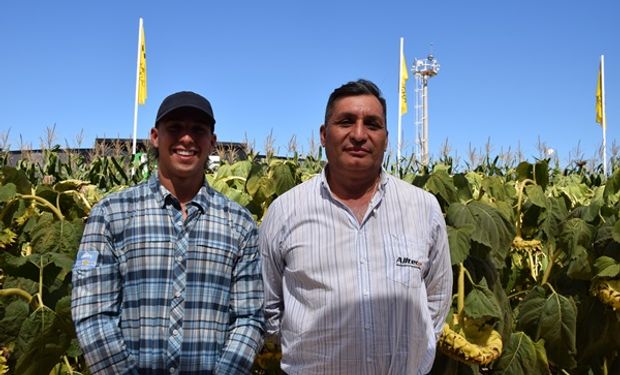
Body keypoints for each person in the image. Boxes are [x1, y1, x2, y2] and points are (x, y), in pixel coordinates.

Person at [259, 79, 452, 374]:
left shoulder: (423, 208)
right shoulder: (285, 211)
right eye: (346, 121)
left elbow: (437, 301)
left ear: (386, 138)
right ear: (324, 135)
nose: (359, 134)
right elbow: (269, 308)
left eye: (372, 124)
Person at [71, 91, 264, 374]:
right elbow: (93, 312)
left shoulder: (240, 223)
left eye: (198, 130)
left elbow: (249, 318)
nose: (186, 138)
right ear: (155, 137)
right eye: (174, 128)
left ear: (212, 142)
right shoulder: (111, 214)